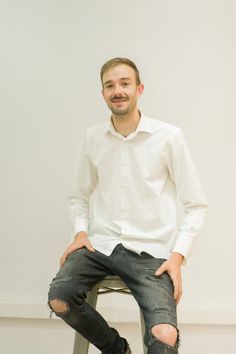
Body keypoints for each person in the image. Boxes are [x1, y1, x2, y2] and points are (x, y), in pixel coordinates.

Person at [48, 57, 208, 354]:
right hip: (101, 246)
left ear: (139, 89)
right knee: (60, 297)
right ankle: (117, 350)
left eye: (124, 83)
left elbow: (196, 205)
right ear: (103, 93)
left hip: (151, 253)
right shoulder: (93, 137)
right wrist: (80, 232)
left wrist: (177, 256)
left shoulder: (168, 137)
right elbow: (78, 196)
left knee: (164, 334)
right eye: (110, 85)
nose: (117, 90)